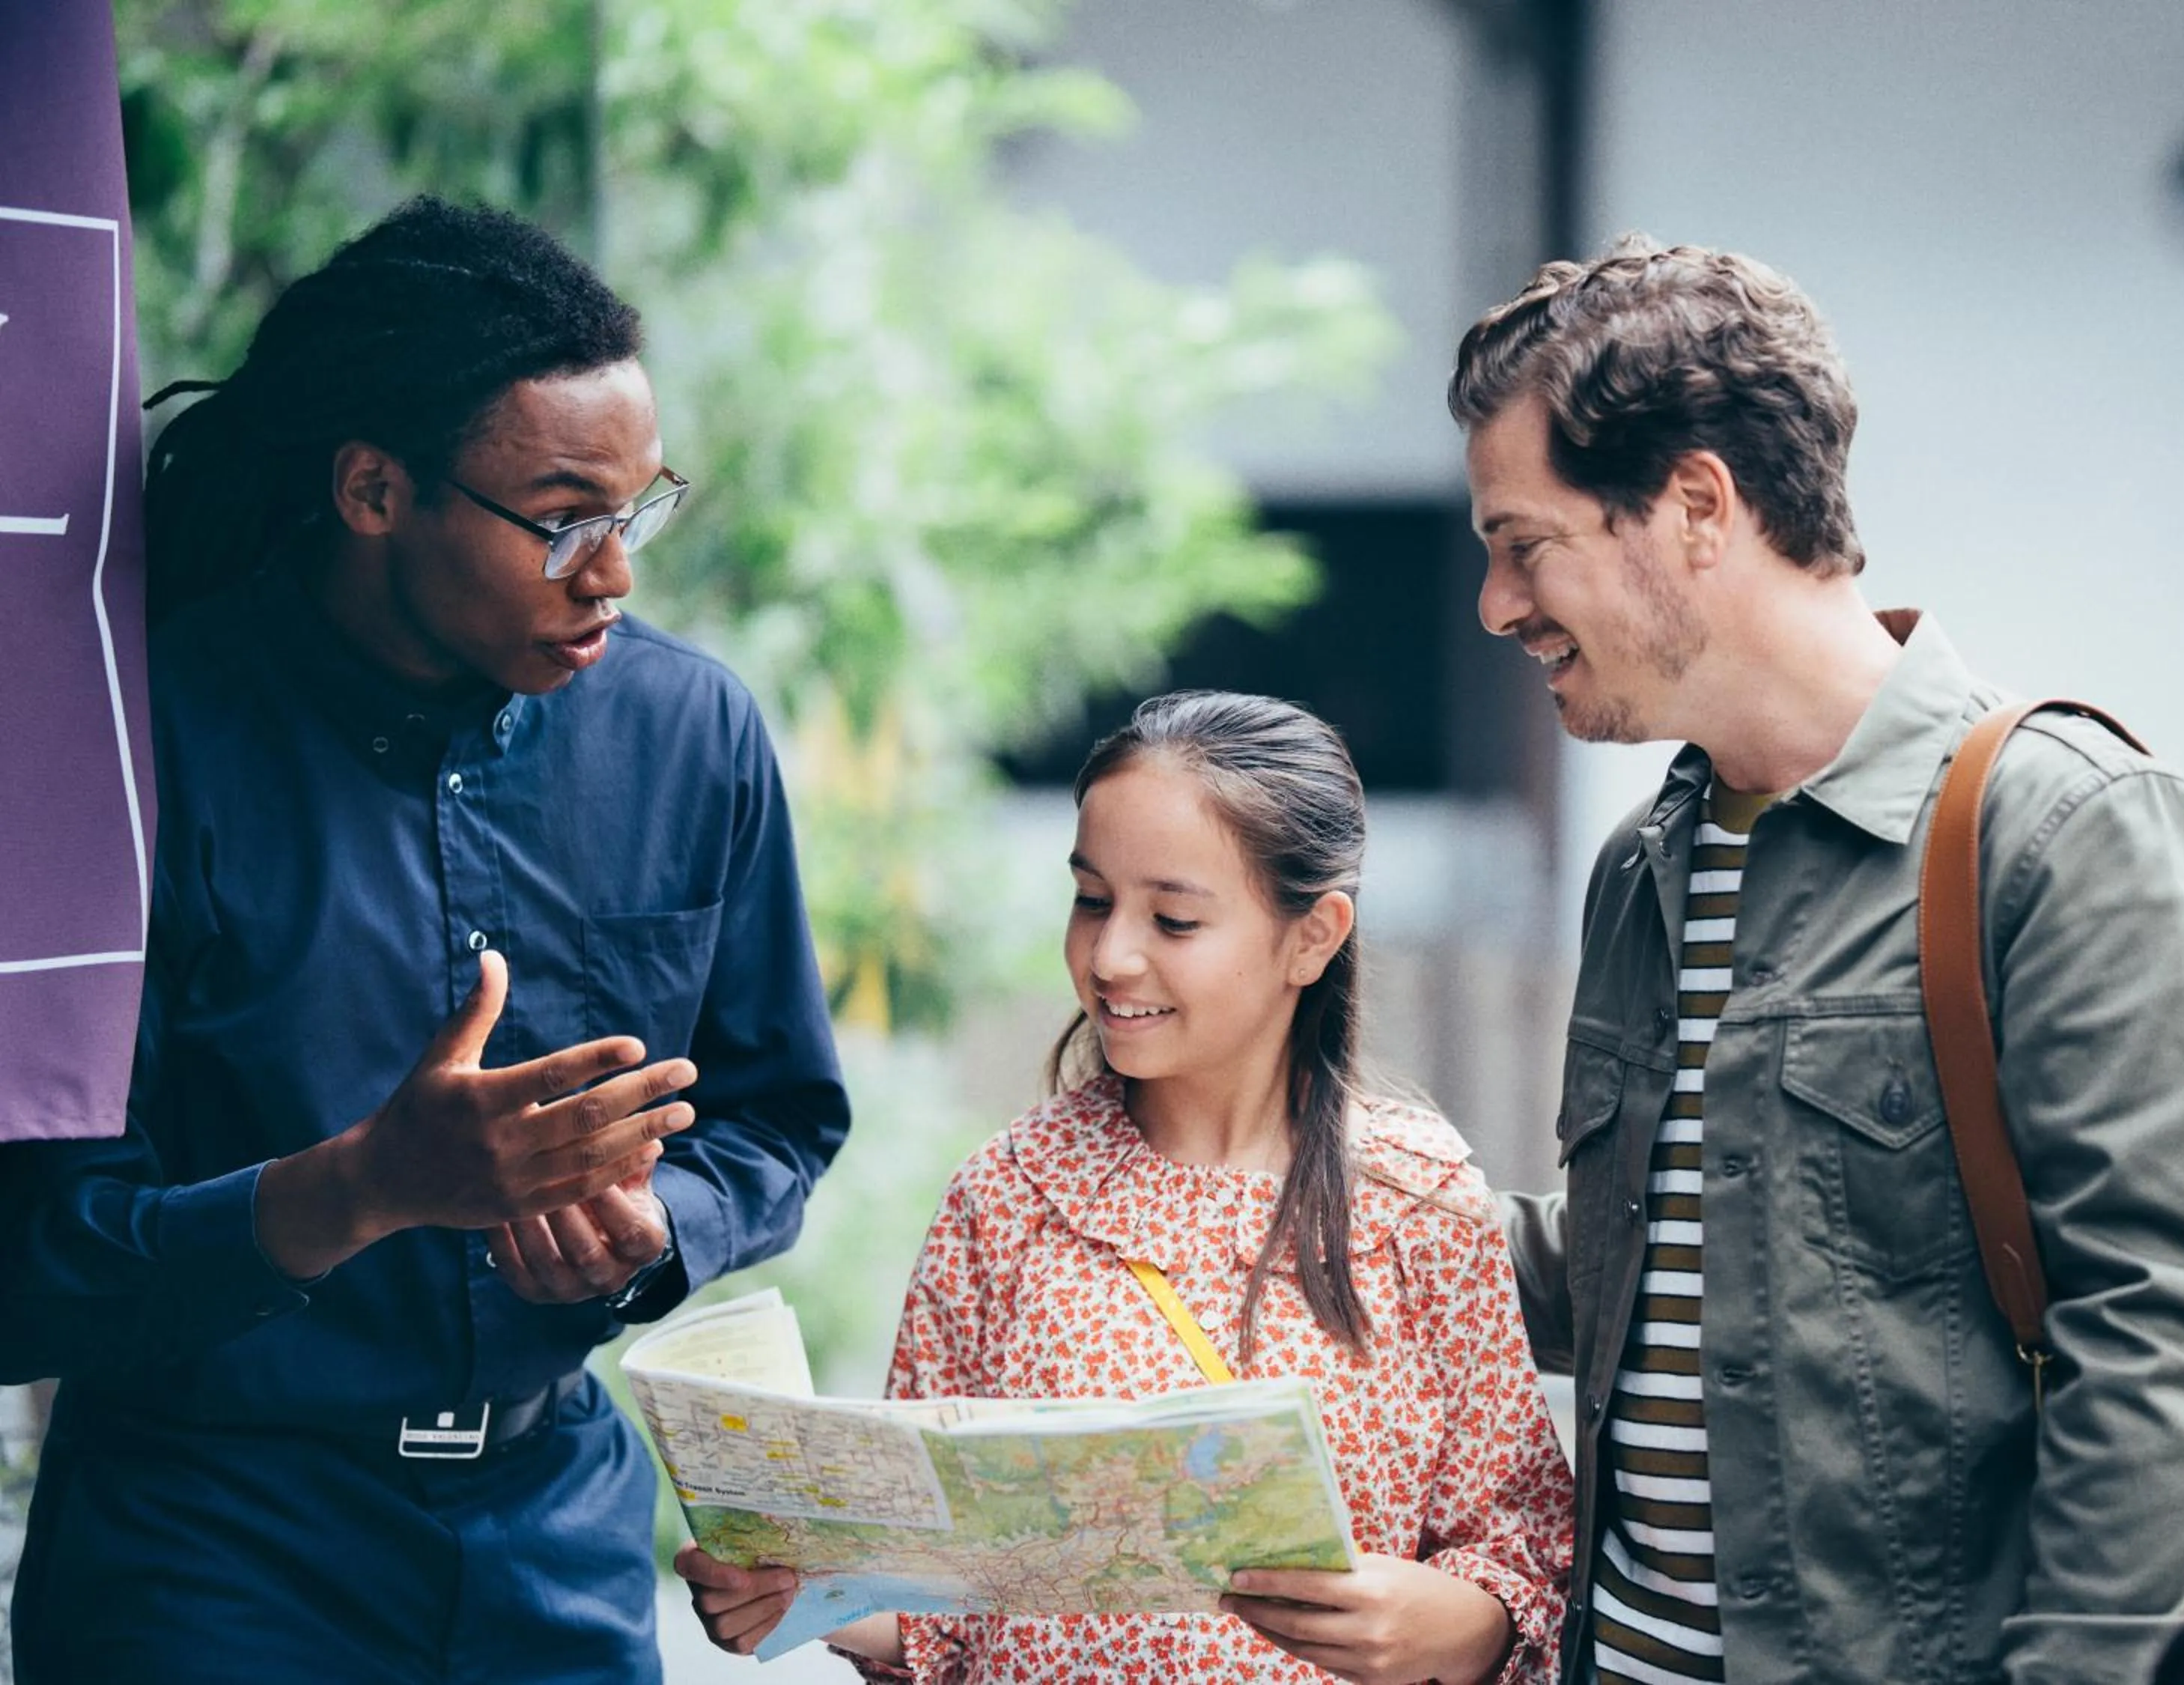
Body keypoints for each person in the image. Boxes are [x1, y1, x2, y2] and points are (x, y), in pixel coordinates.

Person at [0, 196, 850, 1684]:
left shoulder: (688, 733)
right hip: (209, 1555)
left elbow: (781, 1112)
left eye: (641, 510)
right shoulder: (132, 750)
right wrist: (362, 1189)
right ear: (376, 489)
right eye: (564, 519)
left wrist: (660, 1229)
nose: (615, 573)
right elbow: (32, 1263)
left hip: (564, 1542)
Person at [1455, 237, 2184, 1684]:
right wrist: (1342, 1200)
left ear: (1696, 503)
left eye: (1525, 544)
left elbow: (2163, 1346)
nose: (1498, 606)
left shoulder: (2065, 832)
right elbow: (1686, 1265)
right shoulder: (1646, 866)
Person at [678, 689, 1575, 1682]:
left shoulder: (1419, 1195)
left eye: (1175, 917)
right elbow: (939, 1614)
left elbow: (1527, 1547)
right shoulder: (1005, 1197)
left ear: (1314, 936)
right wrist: (809, 1596)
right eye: (1092, 899)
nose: (1111, 955)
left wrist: (1458, 1622)